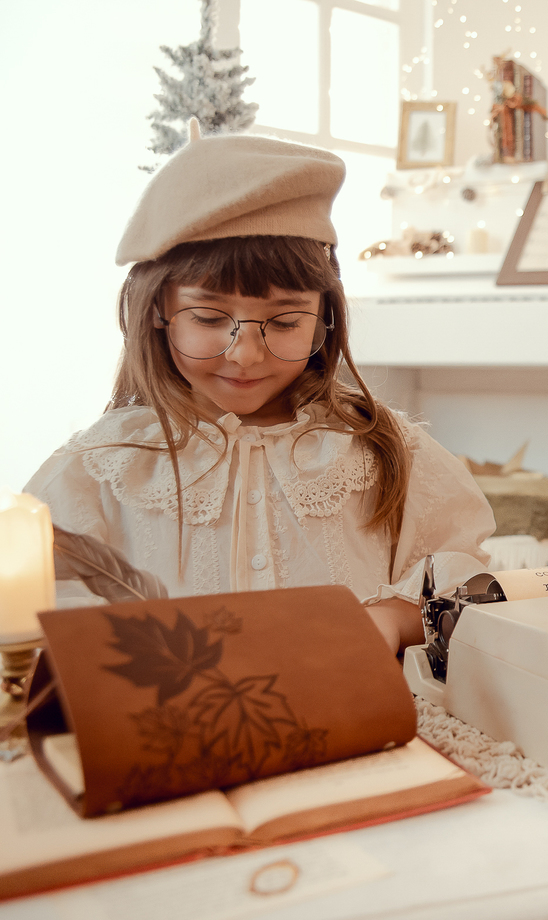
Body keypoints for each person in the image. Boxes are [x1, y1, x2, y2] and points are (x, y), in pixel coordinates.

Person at [25, 122, 495, 654]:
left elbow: (462, 573)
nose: (246, 354)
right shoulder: (103, 466)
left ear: (324, 321)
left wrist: (387, 621)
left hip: (352, 722)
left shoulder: (380, 448)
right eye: (207, 317)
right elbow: (44, 604)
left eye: (286, 321)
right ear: (159, 309)